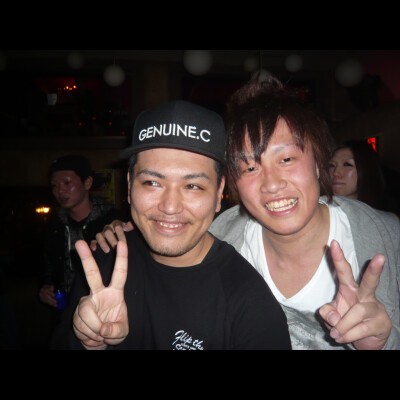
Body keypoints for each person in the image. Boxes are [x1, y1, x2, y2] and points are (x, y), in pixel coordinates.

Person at [95, 74, 400, 350]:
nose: (272, 184)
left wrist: (384, 343)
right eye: (250, 167)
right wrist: (128, 233)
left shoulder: (388, 236)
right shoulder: (224, 236)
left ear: (319, 163)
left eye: (286, 160)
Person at [51, 100, 292, 350]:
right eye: (152, 183)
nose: (170, 207)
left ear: (219, 192)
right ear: (130, 185)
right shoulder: (103, 261)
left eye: (193, 186)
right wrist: (89, 342)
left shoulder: (250, 304)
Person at [39, 155, 122, 315]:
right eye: (54, 185)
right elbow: (48, 265)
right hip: (64, 310)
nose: (60, 191)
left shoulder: (111, 222)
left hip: (103, 307)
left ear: (87, 183)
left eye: (67, 183)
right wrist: (46, 287)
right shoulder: (54, 225)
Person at [328, 139, 390, 210]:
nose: (335, 173)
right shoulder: (322, 207)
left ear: (365, 169)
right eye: (332, 165)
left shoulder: (384, 214)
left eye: (347, 164)